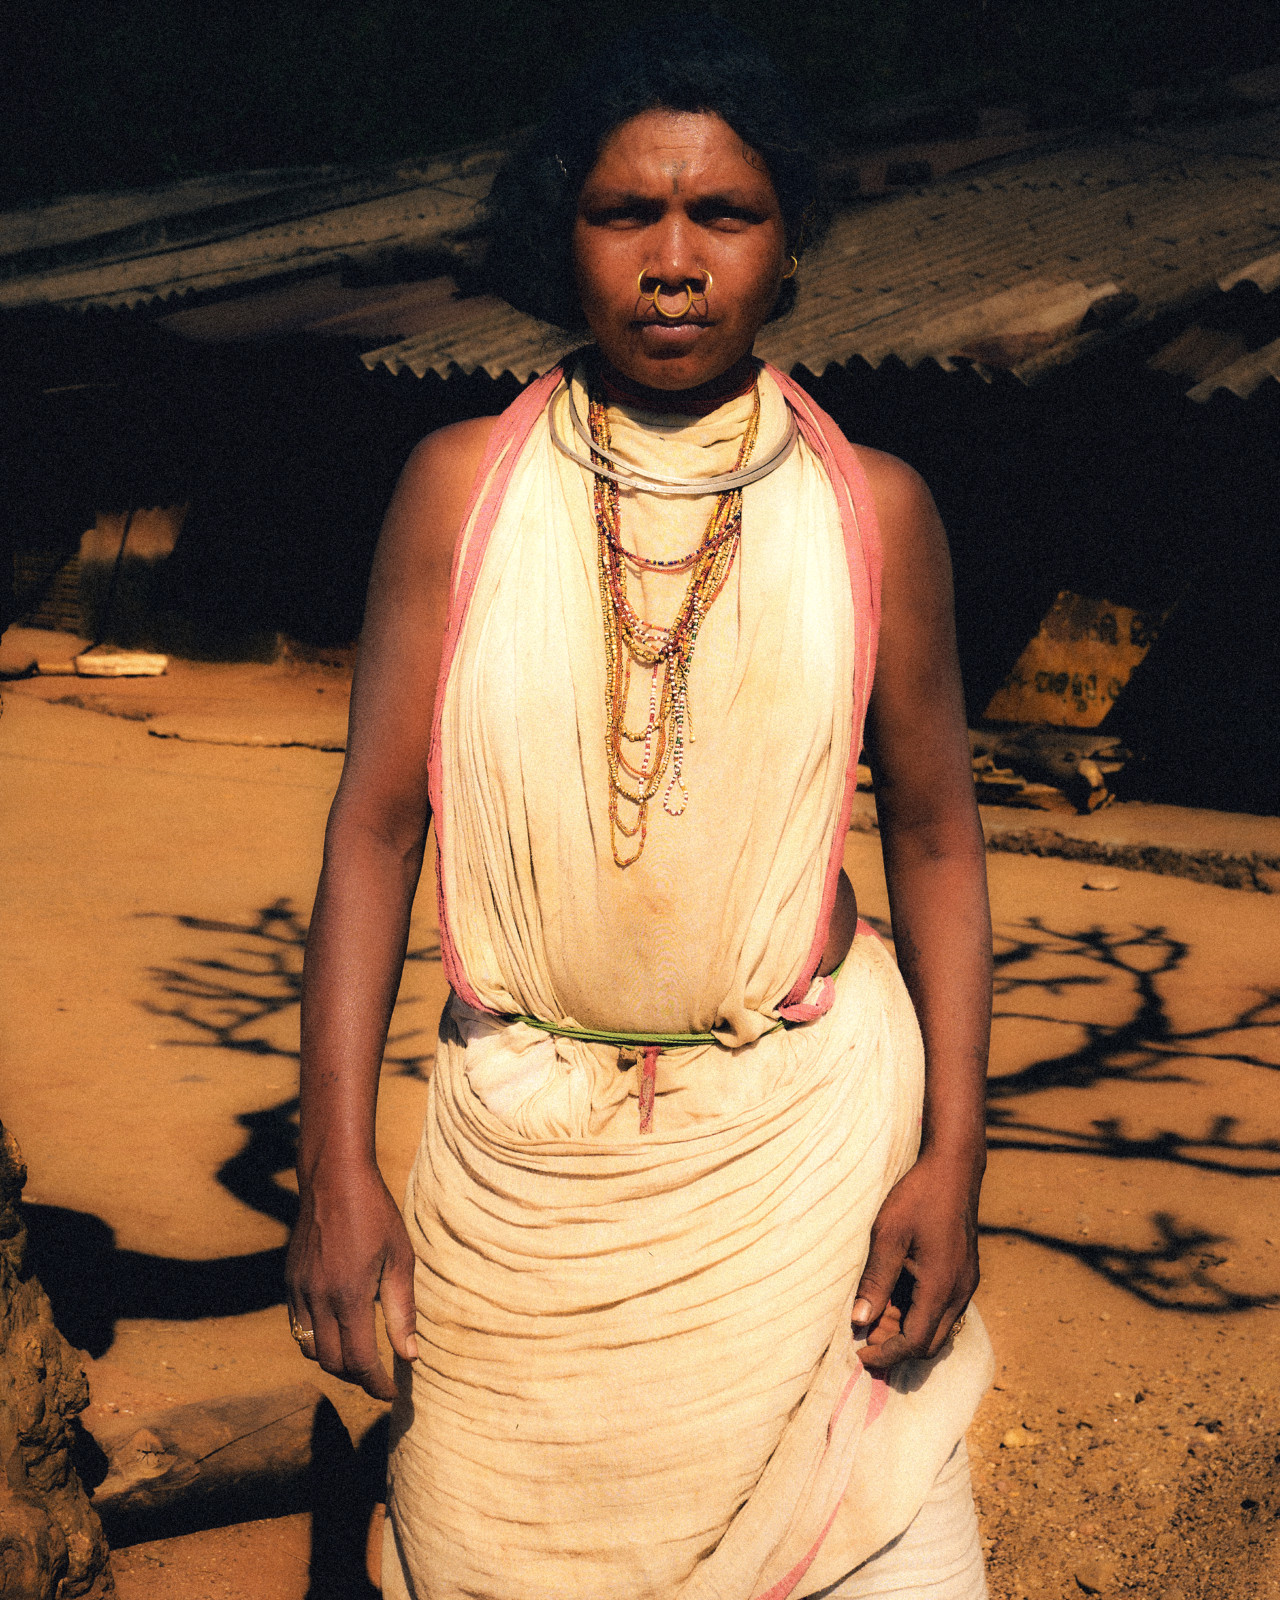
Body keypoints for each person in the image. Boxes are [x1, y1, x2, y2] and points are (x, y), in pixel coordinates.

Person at [285, 20, 995, 1600]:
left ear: (787, 241)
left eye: (724, 215)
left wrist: (955, 1160)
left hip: (804, 1162)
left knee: (882, 1547)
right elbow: (374, 834)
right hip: (520, 1180)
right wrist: (334, 1170)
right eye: (627, 215)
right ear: (566, 234)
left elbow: (939, 839)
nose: (674, 264)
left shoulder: (874, 509)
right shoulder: (460, 490)